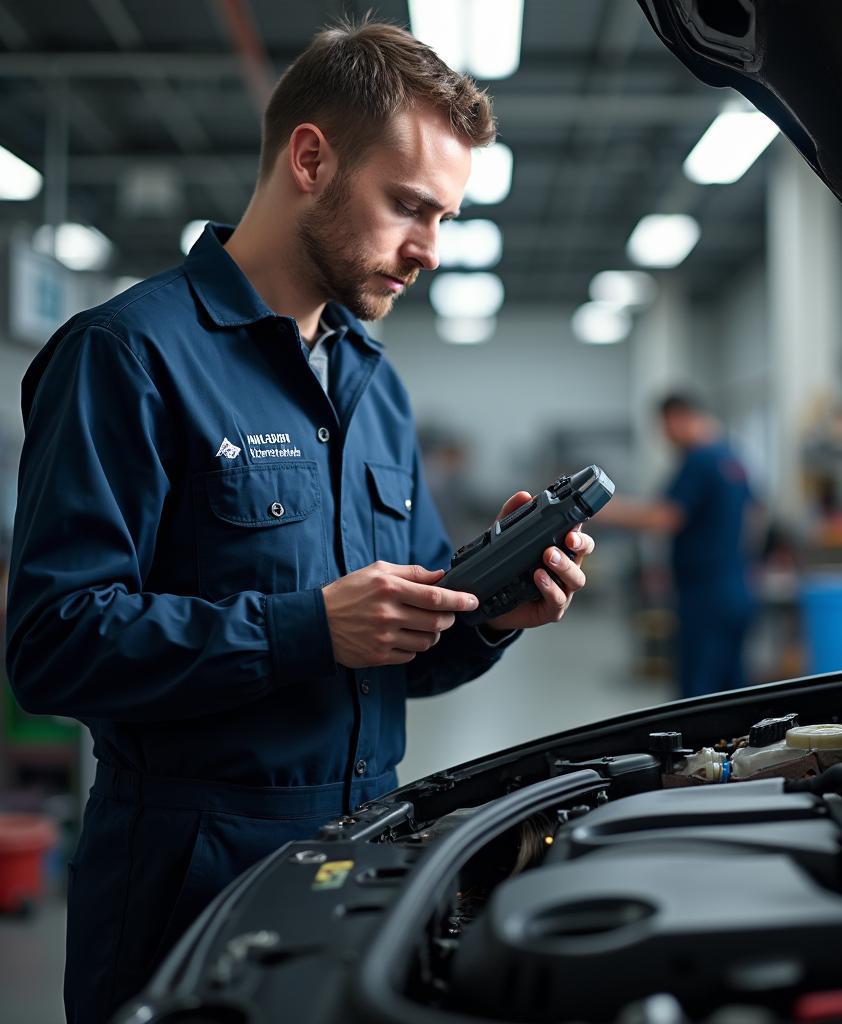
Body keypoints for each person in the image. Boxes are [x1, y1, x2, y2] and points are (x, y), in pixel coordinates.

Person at [3, 20, 595, 1024]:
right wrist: (304, 626)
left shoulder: (376, 389)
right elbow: (51, 646)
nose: (428, 251)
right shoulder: (130, 357)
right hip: (186, 874)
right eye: (408, 206)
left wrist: (491, 611)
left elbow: (400, 652)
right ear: (311, 158)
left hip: (363, 852)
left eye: (443, 217)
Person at [602, 392, 756, 698]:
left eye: (663, 426)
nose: (664, 436)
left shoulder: (699, 459)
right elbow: (754, 515)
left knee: (697, 694)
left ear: (678, 417)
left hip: (705, 595)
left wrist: (597, 509)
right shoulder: (732, 458)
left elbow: (664, 517)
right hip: (737, 587)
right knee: (733, 691)